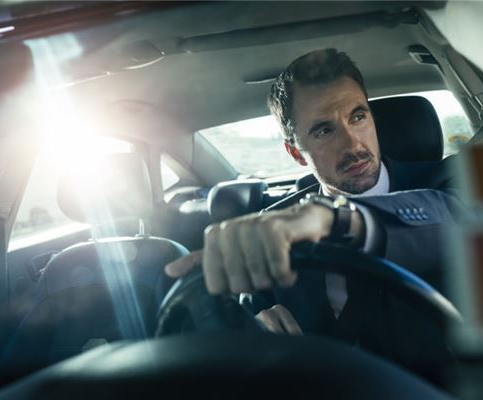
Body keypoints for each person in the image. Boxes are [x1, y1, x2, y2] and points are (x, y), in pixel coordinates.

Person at [165, 48, 464, 339]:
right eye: (324, 131)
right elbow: (253, 311)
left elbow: (459, 217)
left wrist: (335, 221)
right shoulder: (274, 226)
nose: (353, 144)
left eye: (358, 117)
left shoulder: (450, 181)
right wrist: (257, 328)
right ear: (296, 153)